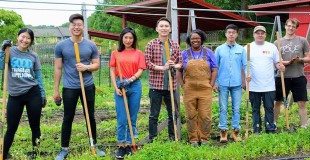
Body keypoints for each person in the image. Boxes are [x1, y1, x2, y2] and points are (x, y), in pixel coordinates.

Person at [53, 13, 105, 159]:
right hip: (69, 87)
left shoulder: (91, 45)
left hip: (87, 85)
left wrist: (86, 67)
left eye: (79, 24)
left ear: (83, 27)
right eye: (73, 24)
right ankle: (64, 149)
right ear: (70, 27)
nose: (76, 27)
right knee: (67, 117)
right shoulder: (60, 46)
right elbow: (58, 68)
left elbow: (97, 65)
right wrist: (56, 90)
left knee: (90, 115)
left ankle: (94, 144)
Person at [0, 28, 46, 159]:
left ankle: (35, 153)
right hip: (15, 95)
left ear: (31, 41)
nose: (24, 40)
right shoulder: (10, 51)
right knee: (11, 128)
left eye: (28, 38)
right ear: (17, 37)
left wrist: (42, 93)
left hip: (33, 93)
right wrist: (2, 50)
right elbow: (1, 66)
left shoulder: (33, 56)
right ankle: (3, 154)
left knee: (35, 126)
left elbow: (38, 76)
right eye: (23, 37)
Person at [176, 29, 217, 146]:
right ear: (189, 40)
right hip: (189, 89)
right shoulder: (184, 54)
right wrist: (183, 85)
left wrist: (211, 84)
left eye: (198, 38)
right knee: (190, 115)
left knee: (205, 115)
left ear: (201, 39)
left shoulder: (208, 53)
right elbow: (179, 71)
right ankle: (193, 138)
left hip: (205, 89)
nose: (195, 40)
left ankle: (204, 138)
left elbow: (214, 69)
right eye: (193, 38)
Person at [110, 27, 146, 158]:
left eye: (131, 38)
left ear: (134, 39)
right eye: (126, 37)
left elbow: (141, 70)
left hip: (134, 85)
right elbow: (112, 71)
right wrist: (116, 87)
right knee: (122, 118)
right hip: (120, 85)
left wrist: (130, 80)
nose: (128, 40)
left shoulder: (139, 53)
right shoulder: (116, 53)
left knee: (132, 117)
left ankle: (130, 144)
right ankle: (121, 145)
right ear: (122, 38)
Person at [145, 17, 182, 143]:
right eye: (161, 26)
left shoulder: (175, 45)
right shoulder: (151, 44)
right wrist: (162, 68)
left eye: (166, 26)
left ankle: (172, 137)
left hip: (171, 85)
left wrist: (173, 65)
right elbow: (147, 63)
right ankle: (152, 138)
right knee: (153, 114)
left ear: (170, 29)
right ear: (157, 29)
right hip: (156, 85)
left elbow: (180, 63)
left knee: (173, 113)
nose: (164, 28)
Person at [245, 26, 285, 134]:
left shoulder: (271, 47)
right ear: (254, 35)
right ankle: (256, 128)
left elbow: (277, 62)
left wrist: (280, 66)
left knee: (269, 107)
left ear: (265, 35)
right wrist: (245, 76)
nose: (260, 35)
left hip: (269, 85)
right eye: (257, 33)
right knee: (255, 108)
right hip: (253, 85)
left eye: (262, 33)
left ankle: (270, 128)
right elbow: (243, 65)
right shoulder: (247, 47)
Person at [274, 18, 310, 129]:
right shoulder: (277, 42)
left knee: (302, 103)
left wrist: (300, 60)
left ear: (296, 28)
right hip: (282, 76)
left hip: (298, 76)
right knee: (277, 102)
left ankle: (303, 125)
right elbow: (276, 60)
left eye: (293, 27)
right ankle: (273, 124)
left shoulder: (302, 40)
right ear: (285, 26)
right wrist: (287, 63)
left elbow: (308, 58)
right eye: (289, 26)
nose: (291, 28)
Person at [214, 24, 246, 142]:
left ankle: (235, 131)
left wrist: (246, 79)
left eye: (233, 32)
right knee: (223, 108)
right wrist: (215, 82)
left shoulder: (241, 49)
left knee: (236, 108)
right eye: (229, 32)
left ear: (237, 34)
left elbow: (245, 65)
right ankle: (223, 131)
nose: (231, 34)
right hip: (222, 83)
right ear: (226, 34)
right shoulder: (219, 49)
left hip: (237, 83)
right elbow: (214, 66)